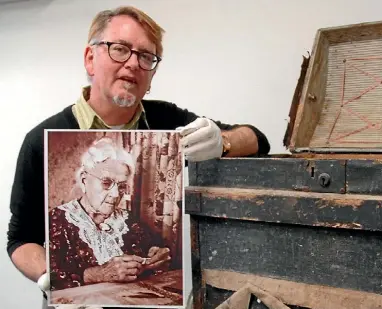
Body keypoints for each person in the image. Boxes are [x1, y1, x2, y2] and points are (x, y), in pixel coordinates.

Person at [6, 5, 270, 309]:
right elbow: (20, 239)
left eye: (146, 57)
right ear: (90, 59)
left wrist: (221, 142)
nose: (133, 64)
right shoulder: (41, 139)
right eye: (120, 49)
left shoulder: (169, 121)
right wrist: (50, 275)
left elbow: (257, 138)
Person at [48, 137, 171, 291]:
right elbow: (47, 278)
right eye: (106, 183)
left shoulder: (128, 220)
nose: (115, 194)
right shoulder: (55, 221)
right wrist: (97, 274)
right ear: (84, 180)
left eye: (121, 186)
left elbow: (157, 251)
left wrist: (158, 257)